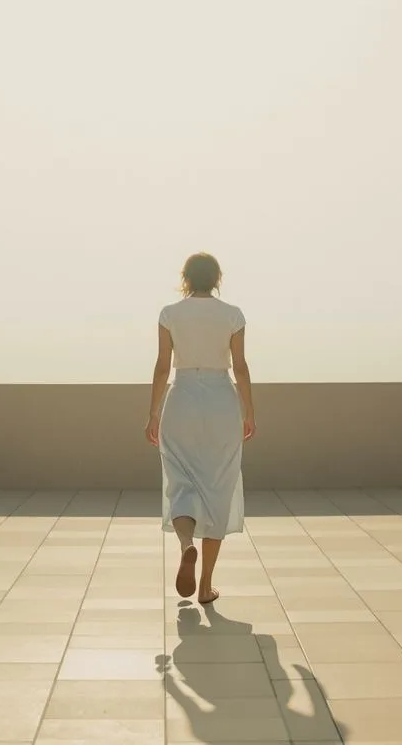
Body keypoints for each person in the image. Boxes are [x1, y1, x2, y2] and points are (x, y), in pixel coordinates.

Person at [145, 252, 255, 605]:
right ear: (217, 278)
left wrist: (153, 413)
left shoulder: (169, 314)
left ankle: (186, 544)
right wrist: (248, 412)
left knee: (181, 483)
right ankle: (205, 586)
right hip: (222, 401)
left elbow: (163, 368)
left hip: (182, 400)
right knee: (218, 489)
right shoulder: (233, 315)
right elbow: (240, 367)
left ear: (186, 278)